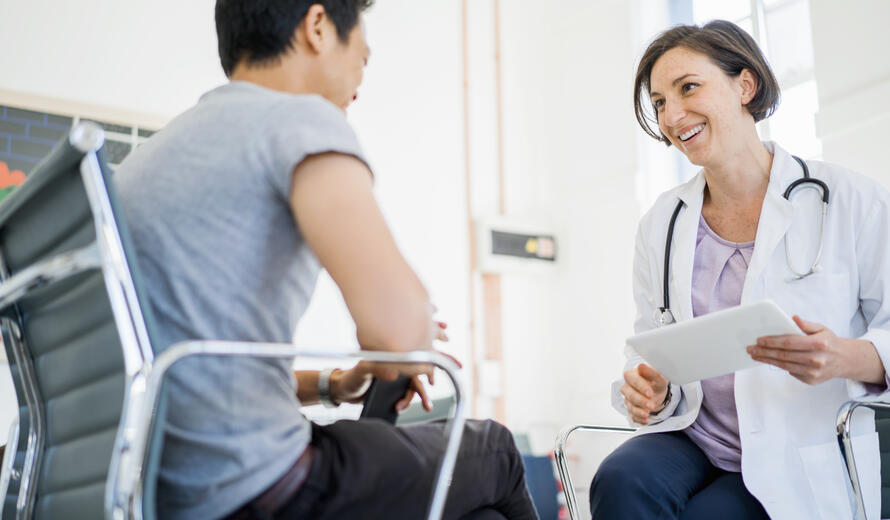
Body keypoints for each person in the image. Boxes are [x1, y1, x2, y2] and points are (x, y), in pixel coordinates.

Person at [115, 1, 538, 519]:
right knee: (493, 451)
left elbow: (192, 366)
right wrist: (404, 342)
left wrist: (338, 384)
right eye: (362, 55)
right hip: (260, 485)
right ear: (317, 27)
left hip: (160, 489)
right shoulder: (298, 119)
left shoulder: (146, 162)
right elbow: (401, 335)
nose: (360, 78)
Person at [589, 20, 890, 520]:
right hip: (694, 437)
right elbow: (649, 339)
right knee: (621, 478)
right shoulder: (662, 224)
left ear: (744, 86)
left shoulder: (849, 200)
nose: (672, 114)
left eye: (688, 88)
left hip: (794, 447)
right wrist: (646, 385)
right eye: (660, 102)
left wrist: (847, 356)